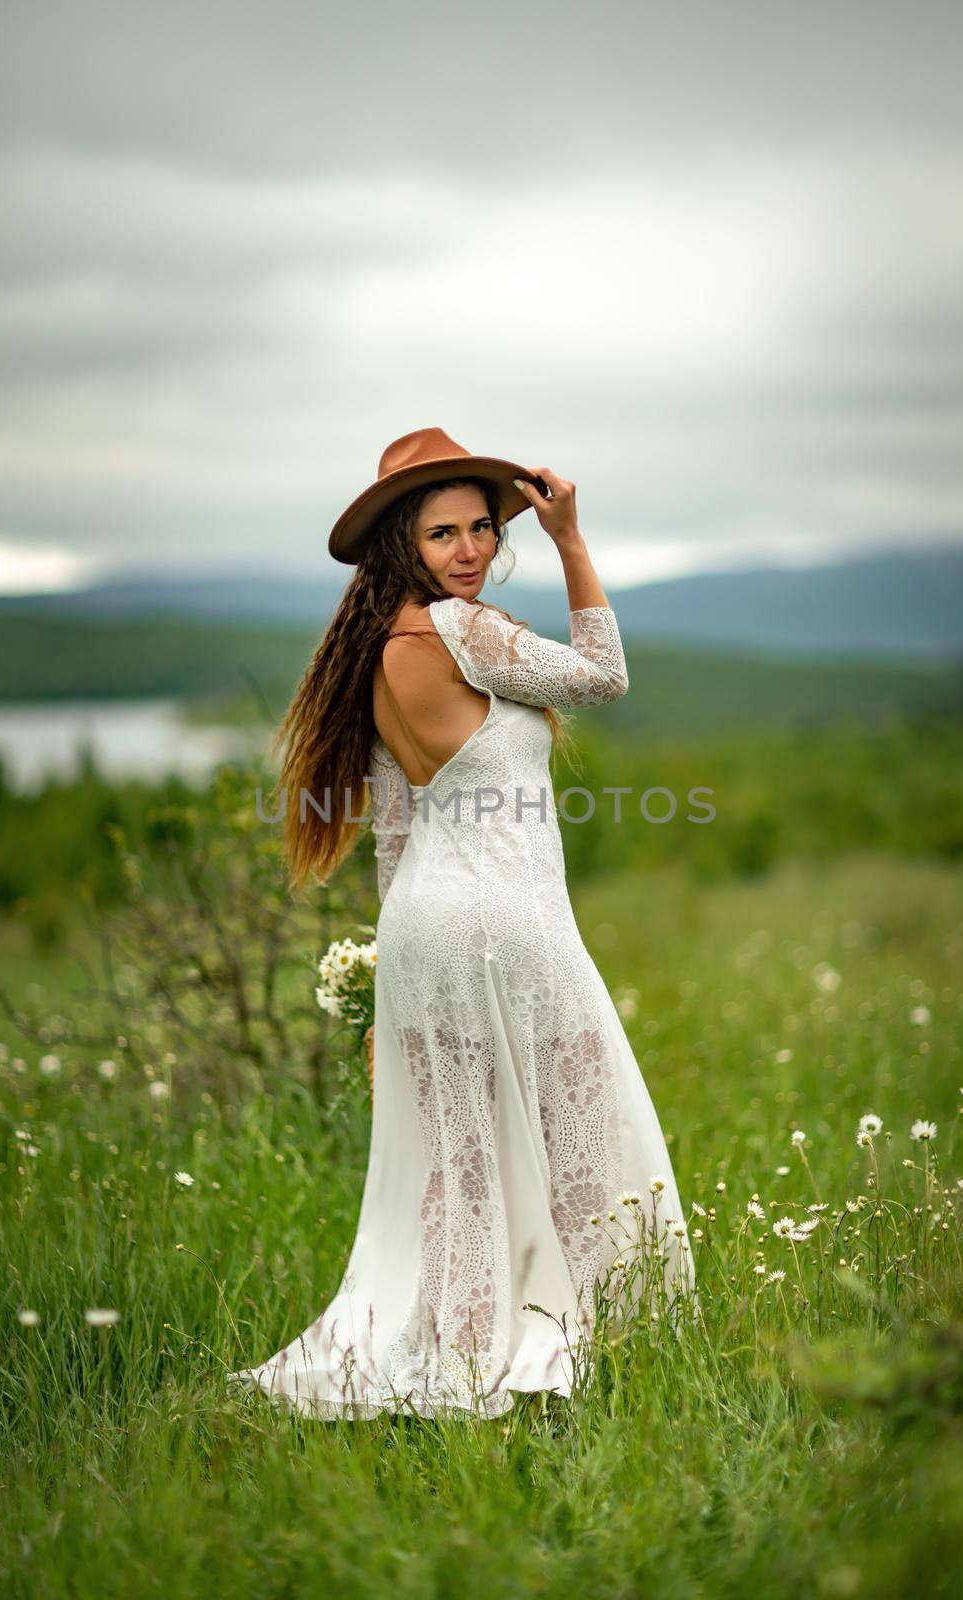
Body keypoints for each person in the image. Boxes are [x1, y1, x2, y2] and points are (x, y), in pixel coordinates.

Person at [226, 427, 693, 1420]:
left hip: (428, 930)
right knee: (567, 1124)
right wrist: (569, 537)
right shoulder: (458, 631)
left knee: (466, 1151)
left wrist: (392, 977)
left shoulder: (383, 648)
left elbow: (396, 834)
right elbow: (604, 676)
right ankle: (565, 1335)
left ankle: (468, 1336)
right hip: (498, 919)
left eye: (483, 525)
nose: (470, 548)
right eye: (444, 532)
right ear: (405, 544)